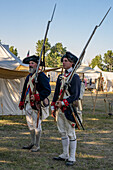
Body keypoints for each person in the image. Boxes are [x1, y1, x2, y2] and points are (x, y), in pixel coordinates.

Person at [51, 51, 81, 166]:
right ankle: (65, 154)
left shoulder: (75, 78)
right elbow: (57, 92)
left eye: (66, 61)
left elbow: (76, 95)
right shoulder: (60, 76)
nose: (63, 62)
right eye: (63, 60)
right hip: (60, 109)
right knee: (63, 132)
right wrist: (53, 106)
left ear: (72, 63)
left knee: (71, 133)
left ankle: (72, 157)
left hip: (70, 109)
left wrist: (63, 103)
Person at [19, 55, 51, 152]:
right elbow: (25, 89)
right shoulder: (29, 76)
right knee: (30, 124)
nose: (30, 65)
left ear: (37, 65)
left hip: (36, 104)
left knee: (37, 125)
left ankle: (37, 145)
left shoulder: (41, 75)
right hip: (28, 104)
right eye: (30, 63)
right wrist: (22, 101)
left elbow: (47, 90)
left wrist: (37, 97)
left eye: (32, 63)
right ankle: (32, 142)